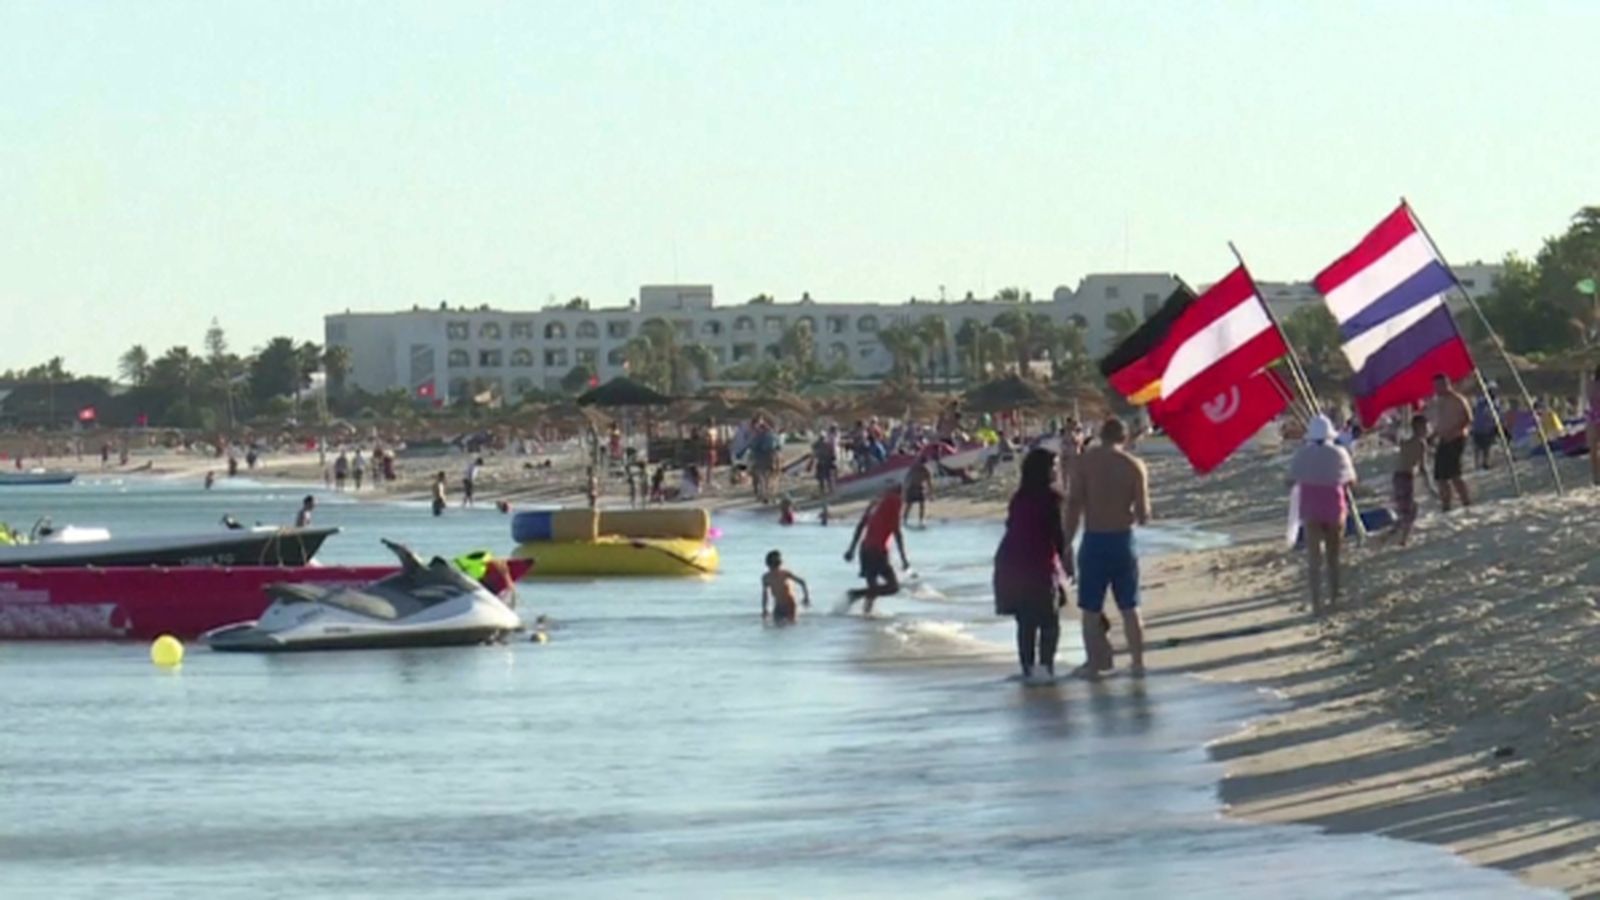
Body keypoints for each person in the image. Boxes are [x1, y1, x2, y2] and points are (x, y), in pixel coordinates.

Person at [1065, 417, 1150, 678]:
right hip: (1123, 540)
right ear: (1124, 439)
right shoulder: (1135, 466)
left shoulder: (1084, 463)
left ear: (1100, 436)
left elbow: (1074, 504)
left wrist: (1066, 541)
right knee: (1130, 606)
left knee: (1090, 610)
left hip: (1095, 539)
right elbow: (1144, 514)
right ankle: (1137, 663)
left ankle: (1093, 664)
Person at [993, 448, 1070, 684]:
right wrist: (1067, 567)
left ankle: (1028, 671)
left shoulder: (1019, 497)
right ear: (1044, 470)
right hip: (1036, 565)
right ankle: (1046, 669)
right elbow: (1057, 537)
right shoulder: (1052, 498)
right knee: (1049, 621)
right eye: (1054, 466)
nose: (1057, 470)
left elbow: (1011, 526)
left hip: (1010, 563)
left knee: (1025, 622)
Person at [1290, 415, 1358, 613]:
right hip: (1334, 507)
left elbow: (1290, 480)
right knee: (1333, 557)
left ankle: (1316, 601)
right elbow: (1351, 480)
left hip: (1311, 508)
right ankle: (1335, 597)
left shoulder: (1302, 454)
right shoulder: (1339, 453)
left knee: (1314, 558)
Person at [843, 484, 909, 614]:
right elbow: (897, 532)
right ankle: (855, 595)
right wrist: (903, 558)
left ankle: (866, 615)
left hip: (865, 550)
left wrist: (851, 549)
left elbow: (860, 526)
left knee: (872, 589)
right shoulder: (894, 501)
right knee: (893, 587)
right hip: (876, 550)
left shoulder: (875, 504)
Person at [1388, 413, 1433, 547]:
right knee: (1410, 510)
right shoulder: (1421, 443)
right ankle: (1403, 540)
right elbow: (1423, 466)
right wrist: (1430, 486)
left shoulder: (1406, 442)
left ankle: (1395, 532)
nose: (1428, 429)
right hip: (1406, 477)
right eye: (1426, 427)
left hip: (1397, 476)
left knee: (1405, 508)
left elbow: (1399, 442)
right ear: (1419, 428)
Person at [1431, 374, 1472, 511]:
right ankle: (1446, 504)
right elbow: (1441, 422)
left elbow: (1467, 418)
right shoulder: (1439, 401)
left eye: (1441, 385)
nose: (1439, 388)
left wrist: (1453, 432)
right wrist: (1433, 436)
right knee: (1440, 475)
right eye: (1436, 386)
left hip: (1456, 438)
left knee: (1454, 474)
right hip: (1443, 439)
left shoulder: (1457, 399)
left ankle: (1466, 501)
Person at [761, 550, 811, 623]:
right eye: (773, 562)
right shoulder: (766, 577)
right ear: (768, 563)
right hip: (778, 605)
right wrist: (764, 609)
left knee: (790, 625)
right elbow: (765, 595)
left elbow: (802, 582)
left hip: (789, 604)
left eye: (777, 562)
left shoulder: (785, 574)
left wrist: (806, 597)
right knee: (776, 626)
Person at [1470, 391, 1498, 471]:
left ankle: (1482, 464)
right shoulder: (1485, 404)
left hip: (1481, 428)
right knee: (1482, 447)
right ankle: (1481, 464)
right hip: (1482, 428)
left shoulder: (1482, 404)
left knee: (1483, 447)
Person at [903, 458, 933, 527]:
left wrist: (930, 494)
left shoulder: (926, 471)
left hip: (919, 488)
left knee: (922, 505)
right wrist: (905, 491)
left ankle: (921, 520)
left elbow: (929, 483)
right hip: (911, 488)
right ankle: (904, 520)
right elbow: (907, 479)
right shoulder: (914, 469)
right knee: (909, 505)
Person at [1590, 365, 1600, 486]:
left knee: (1594, 448)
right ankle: (1596, 476)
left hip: (1593, 416)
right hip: (1594, 415)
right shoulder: (1593, 384)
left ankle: (1596, 476)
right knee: (1594, 448)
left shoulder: (1592, 385)